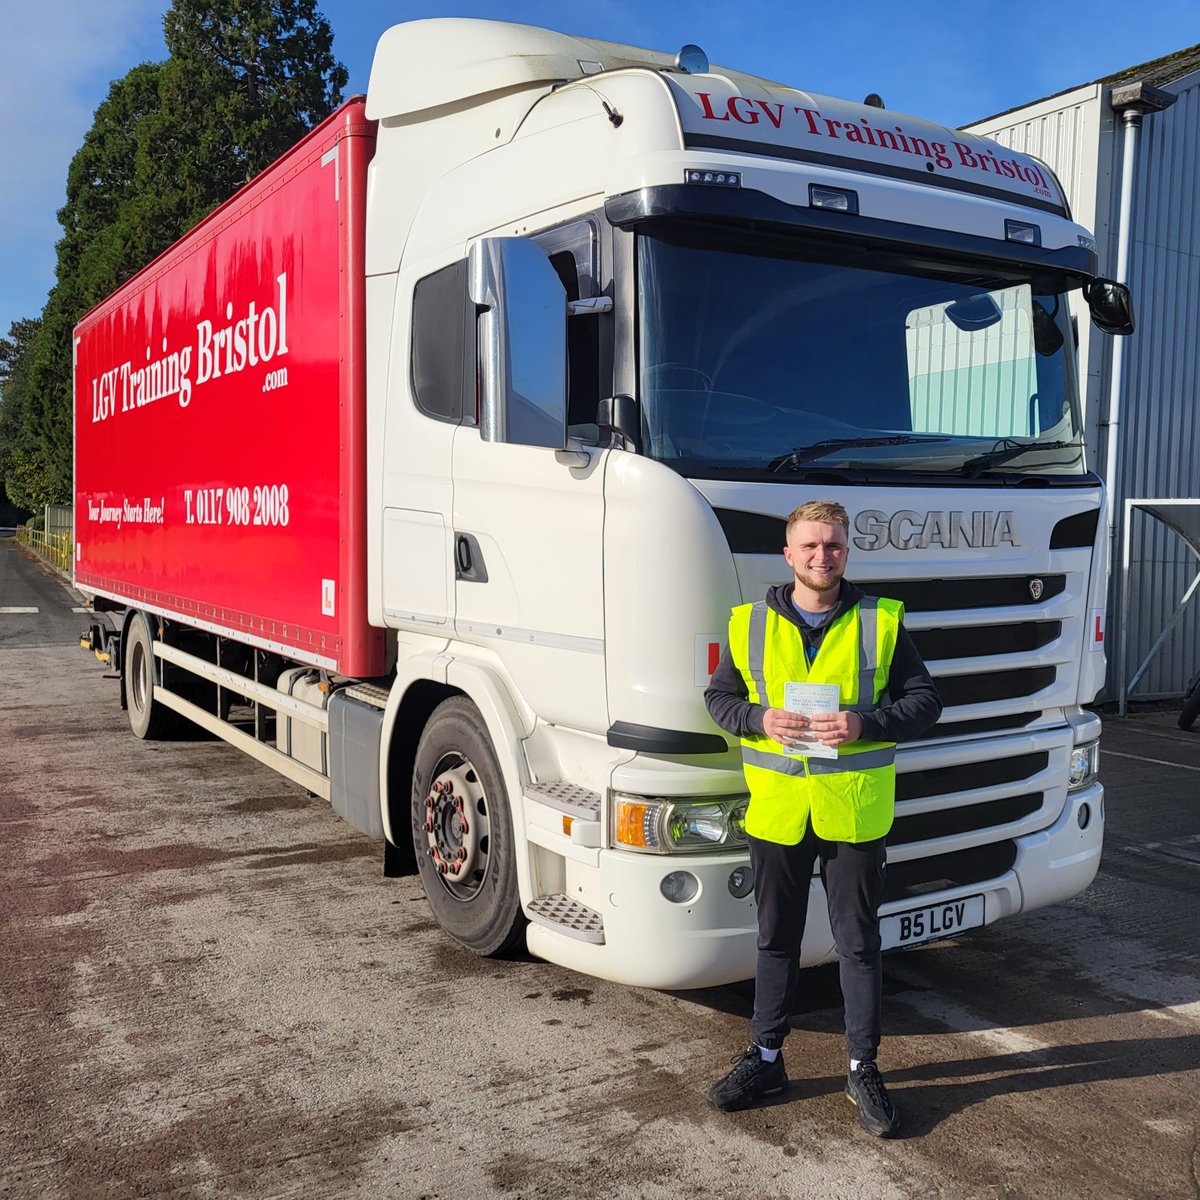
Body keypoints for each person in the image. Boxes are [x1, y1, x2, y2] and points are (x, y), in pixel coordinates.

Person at [704, 499, 941, 1136]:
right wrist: (759, 719)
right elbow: (719, 699)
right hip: (779, 810)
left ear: (846, 551)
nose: (821, 556)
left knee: (859, 944)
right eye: (809, 546)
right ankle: (766, 1056)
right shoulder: (749, 623)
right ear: (788, 554)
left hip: (853, 812)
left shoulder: (879, 622)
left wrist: (866, 723)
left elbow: (926, 703)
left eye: (832, 545)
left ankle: (863, 1067)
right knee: (775, 938)